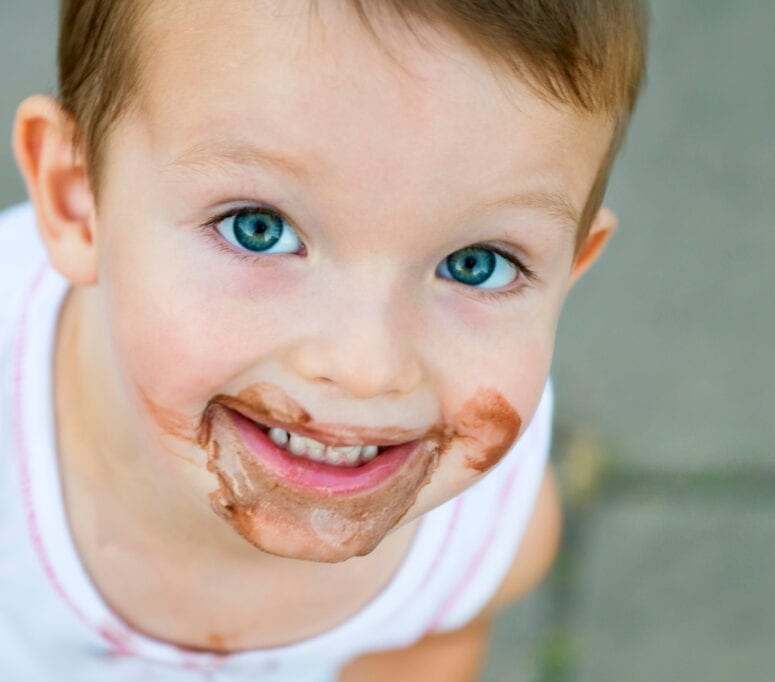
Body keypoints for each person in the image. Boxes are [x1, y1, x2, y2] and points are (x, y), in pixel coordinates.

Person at [0, 1, 647, 679]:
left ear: (570, 267)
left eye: (474, 264)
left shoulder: (479, 533)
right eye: (258, 228)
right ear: (78, 197)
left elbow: (421, 650)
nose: (365, 368)